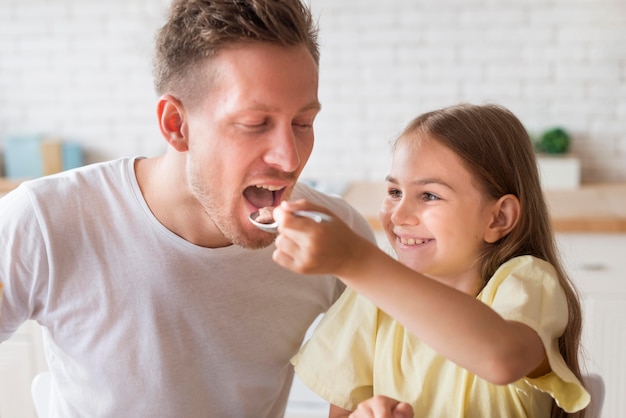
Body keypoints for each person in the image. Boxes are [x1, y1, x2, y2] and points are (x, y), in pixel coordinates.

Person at [0, 0, 374, 416]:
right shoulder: (44, 219)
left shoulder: (338, 239)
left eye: (303, 124)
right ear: (176, 125)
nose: (289, 158)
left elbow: (360, 385)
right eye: (255, 124)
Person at [271, 103, 591, 418]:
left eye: (429, 196)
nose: (398, 215)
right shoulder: (371, 298)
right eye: (394, 192)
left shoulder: (527, 282)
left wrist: (358, 261)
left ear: (498, 218)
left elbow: (502, 359)